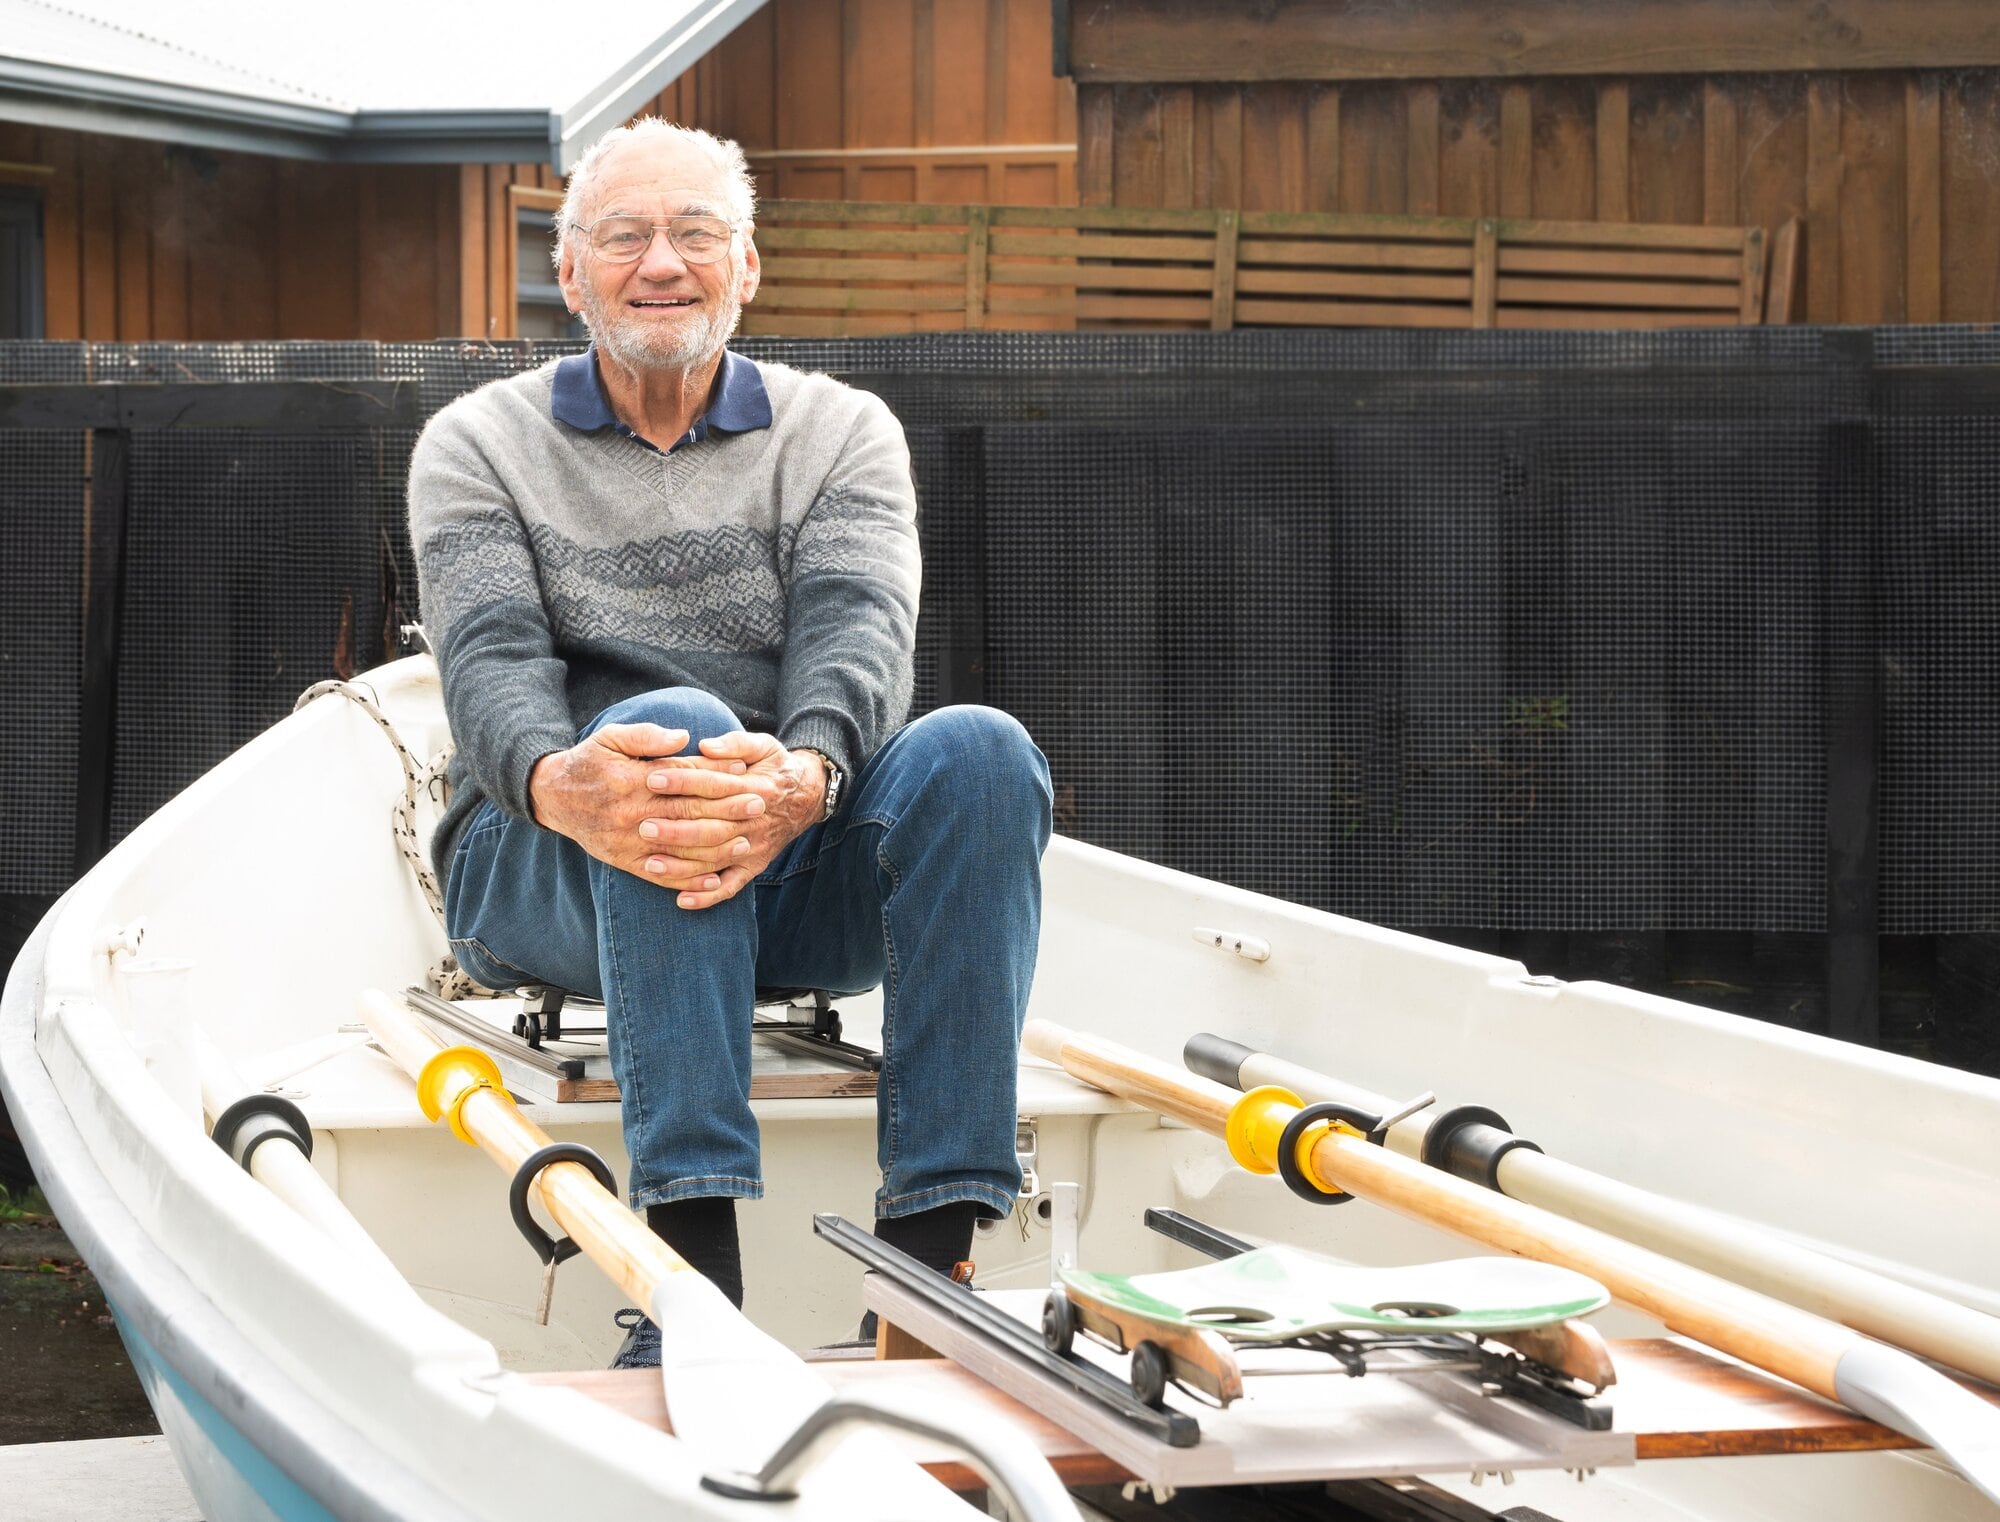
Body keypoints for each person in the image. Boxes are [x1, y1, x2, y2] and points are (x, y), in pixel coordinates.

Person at [407, 119, 1052, 1367]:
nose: (662, 262)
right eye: (625, 236)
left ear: (745, 266)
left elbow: (860, 635)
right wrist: (562, 781)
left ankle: (928, 1269)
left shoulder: (842, 432)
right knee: (681, 731)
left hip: (780, 853)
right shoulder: (477, 443)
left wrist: (806, 777)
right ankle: (689, 1278)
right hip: (541, 856)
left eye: (695, 232)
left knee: (979, 750)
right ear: (570, 270)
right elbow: (488, 663)